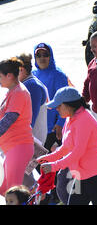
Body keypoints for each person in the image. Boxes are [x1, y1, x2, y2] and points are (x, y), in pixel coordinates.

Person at [37, 86, 97, 205]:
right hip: (81, 175)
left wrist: (54, 166)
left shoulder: (84, 119)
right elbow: (65, 148)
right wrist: (45, 159)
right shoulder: (70, 118)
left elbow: (78, 151)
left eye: (59, 105)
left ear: (69, 105)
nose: (56, 108)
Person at [0, 58, 35, 196]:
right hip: (12, 148)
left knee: (13, 192)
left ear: (9, 75)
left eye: (0, 76)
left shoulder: (19, 92)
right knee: (5, 190)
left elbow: (9, 119)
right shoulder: (12, 91)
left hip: (19, 147)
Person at [32, 43, 70, 151]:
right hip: (37, 127)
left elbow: (66, 101)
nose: (42, 58)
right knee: (38, 163)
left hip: (53, 128)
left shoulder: (58, 75)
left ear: (51, 56)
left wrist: (60, 123)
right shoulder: (33, 74)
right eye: (38, 55)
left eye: (45, 54)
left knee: (53, 162)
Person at [16, 53, 48, 145]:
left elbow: (29, 120)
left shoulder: (32, 86)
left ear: (21, 69)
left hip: (30, 143)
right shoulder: (29, 83)